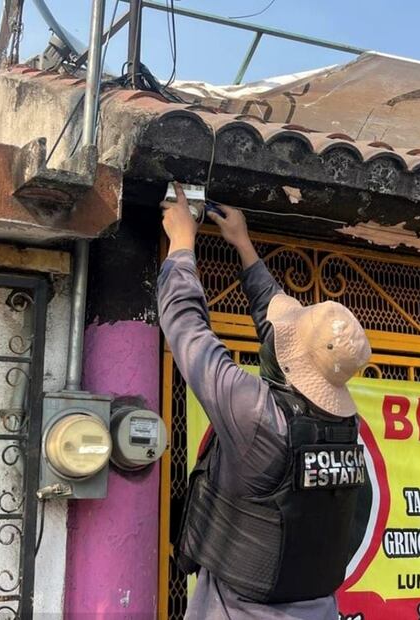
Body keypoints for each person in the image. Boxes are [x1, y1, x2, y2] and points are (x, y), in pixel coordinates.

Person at [158, 183, 373, 619]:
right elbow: (277, 331)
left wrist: (181, 244)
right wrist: (243, 244)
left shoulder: (258, 416)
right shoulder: (343, 431)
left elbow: (187, 330)